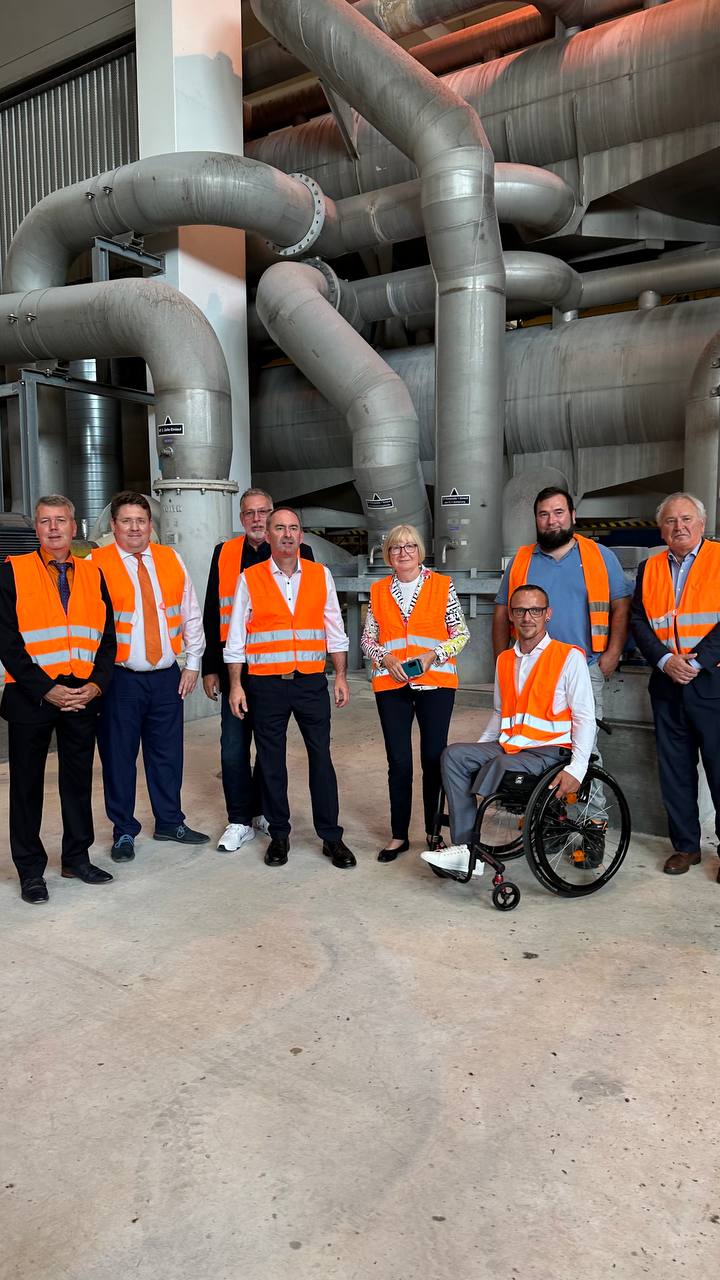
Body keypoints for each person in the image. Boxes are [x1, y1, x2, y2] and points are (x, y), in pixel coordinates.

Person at [422, 584, 595, 877]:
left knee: (500, 764)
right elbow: (500, 713)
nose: (527, 617)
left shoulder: (569, 657)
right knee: (454, 755)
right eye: (520, 611)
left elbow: (585, 717)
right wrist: (478, 750)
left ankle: (468, 845)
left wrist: (577, 769)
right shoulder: (504, 660)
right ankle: (465, 849)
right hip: (512, 745)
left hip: (549, 750)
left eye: (535, 610)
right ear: (511, 616)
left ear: (548, 614)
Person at [224, 506, 355, 869]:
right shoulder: (250, 578)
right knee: (271, 762)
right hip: (266, 685)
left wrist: (340, 676)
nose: (287, 534)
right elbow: (236, 639)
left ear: (301, 535)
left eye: (293, 528)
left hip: (310, 682)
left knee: (321, 758)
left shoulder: (320, 574)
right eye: (279, 528)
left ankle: (331, 836)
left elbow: (335, 628)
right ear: (267, 535)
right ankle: (279, 835)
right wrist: (236, 686)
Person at [0, 494, 116, 903]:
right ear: (36, 528)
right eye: (46, 521)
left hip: (81, 695)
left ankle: (76, 857)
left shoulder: (93, 573)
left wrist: (96, 684)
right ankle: (30, 870)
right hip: (32, 695)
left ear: (73, 526)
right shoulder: (12, 572)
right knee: (27, 787)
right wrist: (46, 688)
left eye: (61, 520)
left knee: (78, 781)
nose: (53, 528)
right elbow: (7, 641)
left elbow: (107, 639)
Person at [492, 486, 630, 828]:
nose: (551, 520)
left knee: (585, 750)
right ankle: (551, 822)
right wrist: (503, 663)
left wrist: (613, 652)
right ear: (535, 520)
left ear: (572, 516)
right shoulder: (522, 560)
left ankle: (593, 824)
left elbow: (620, 605)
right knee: (530, 745)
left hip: (584, 667)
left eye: (558, 512)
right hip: (530, 671)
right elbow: (501, 613)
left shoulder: (600, 556)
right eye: (543, 514)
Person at [91, 491, 209, 860]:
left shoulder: (170, 558)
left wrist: (193, 663)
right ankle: (124, 831)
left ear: (150, 525)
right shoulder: (96, 563)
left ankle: (170, 821)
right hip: (120, 679)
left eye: (140, 520)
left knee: (167, 754)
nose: (134, 527)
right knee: (119, 757)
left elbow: (190, 612)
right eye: (126, 521)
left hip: (166, 676)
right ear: (114, 526)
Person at [201, 487, 314, 853]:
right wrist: (210, 667)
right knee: (233, 746)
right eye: (249, 513)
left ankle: (265, 810)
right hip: (236, 669)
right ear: (241, 518)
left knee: (269, 747)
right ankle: (239, 819)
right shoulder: (224, 553)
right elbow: (212, 611)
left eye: (263, 511)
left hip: (277, 670)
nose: (257, 519)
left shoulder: (299, 553)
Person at [361, 523, 469, 862]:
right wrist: (385, 657)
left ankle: (433, 833)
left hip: (435, 684)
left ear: (420, 551)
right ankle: (399, 835)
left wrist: (433, 655)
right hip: (391, 684)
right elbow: (368, 639)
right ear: (388, 555)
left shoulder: (442, 585)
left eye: (409, 546)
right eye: (396, 547)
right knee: (398, 762)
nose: (403, 552)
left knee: (433, 759)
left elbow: (461, 634)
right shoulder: (379, 591)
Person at [630, 492, 720, 879]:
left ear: (701, 524)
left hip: (712, 682)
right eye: (670, 521)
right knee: (675, 771)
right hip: (667, 685)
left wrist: (696, 662)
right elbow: (638, 620)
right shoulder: (649, 567)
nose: (678, 526)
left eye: (686, 519)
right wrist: (666, 661)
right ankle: (685, 847)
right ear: (661, 529)